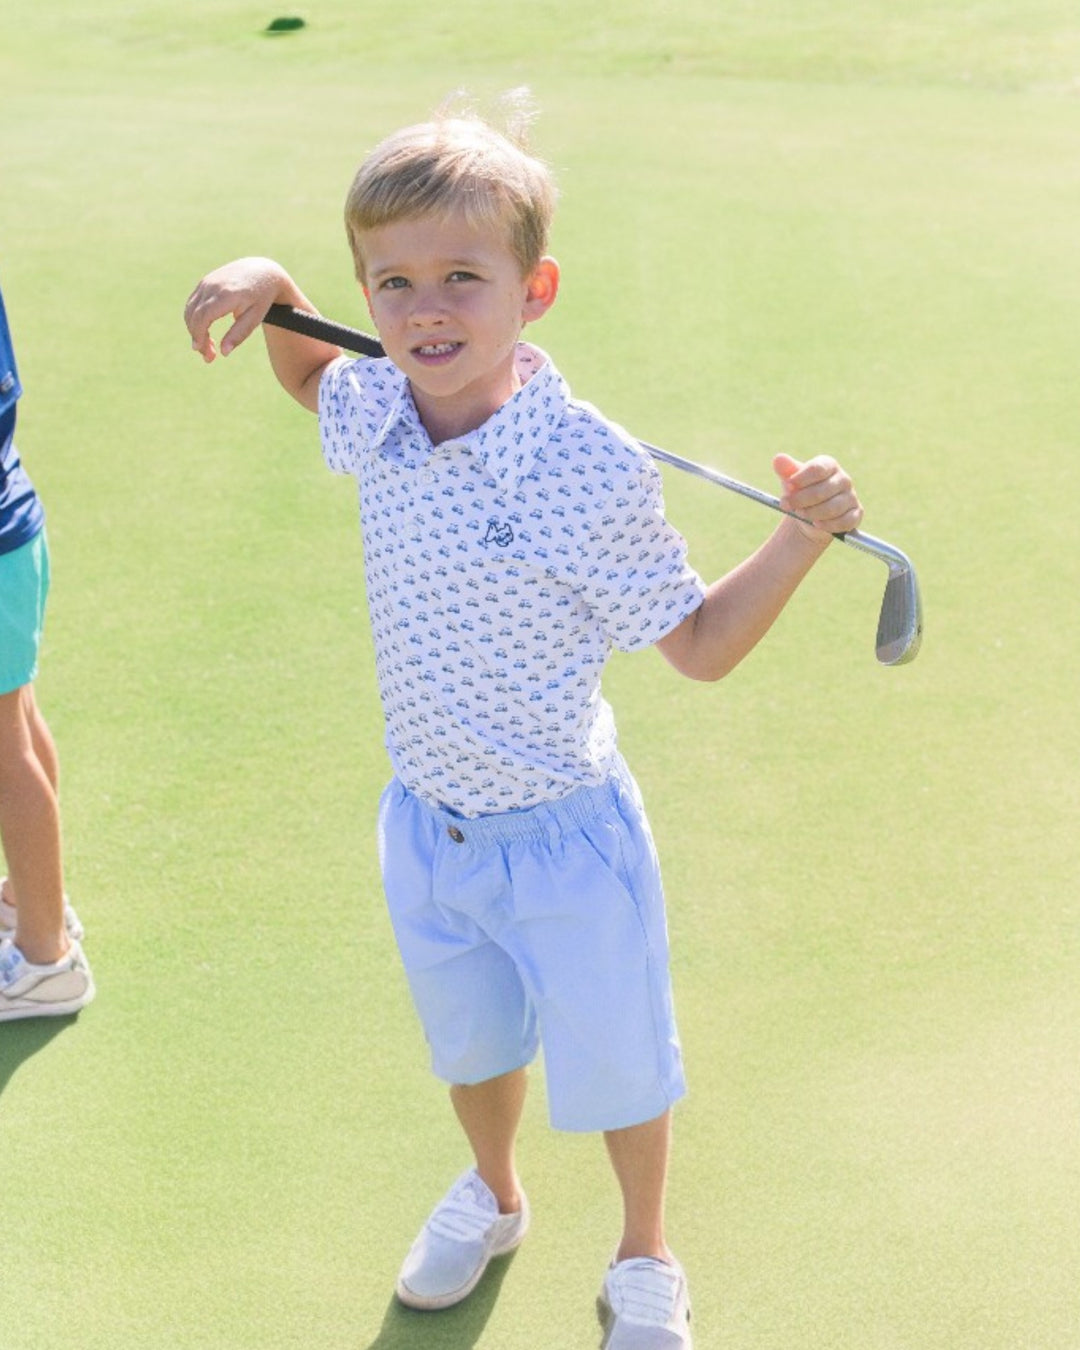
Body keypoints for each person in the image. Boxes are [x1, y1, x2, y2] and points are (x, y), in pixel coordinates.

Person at [184, 94, 862, 1349]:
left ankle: (645, 1254)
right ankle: (493, 1195)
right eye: (390, 283)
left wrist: (800, 538)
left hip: (565, 837)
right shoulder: (379, 406)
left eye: (461, 278)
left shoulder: (590, 469)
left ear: (535, 288)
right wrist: (273, 284)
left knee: (620, 1067)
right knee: (473, 1046)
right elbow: (308, 375)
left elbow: (701, 648)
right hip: (427, 827)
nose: (424, 310)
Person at [0, 275, 94, 1020]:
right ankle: (36, 907)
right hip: (14, 531)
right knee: (17, 721)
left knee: (5, 747)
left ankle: (44, 962)